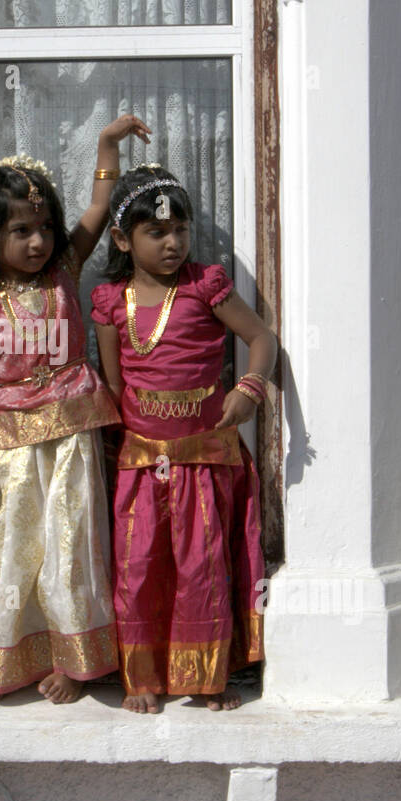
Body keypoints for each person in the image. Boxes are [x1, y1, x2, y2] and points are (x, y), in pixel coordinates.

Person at [0, 116, 151, 704]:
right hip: (7, 447)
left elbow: (96, 205)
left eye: (43, 227)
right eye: (20, 231)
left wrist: (107, 147)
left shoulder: (66, 271)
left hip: (73, 436)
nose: (37, 242)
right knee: (9, 550)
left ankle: (72, 662)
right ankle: (4, 664)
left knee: (71, 545)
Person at [90, 165, 276, 713]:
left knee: (202, 567)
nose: (173, 243)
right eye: (157, 233)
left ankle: (208, 678)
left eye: (182, 231)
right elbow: (115, 388)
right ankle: (140, 677)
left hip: (206, 460)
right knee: (139, 566)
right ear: (123, 240)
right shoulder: (109, 303)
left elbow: (261, 336)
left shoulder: (206, 286)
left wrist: (249, 386)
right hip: (142, 461)